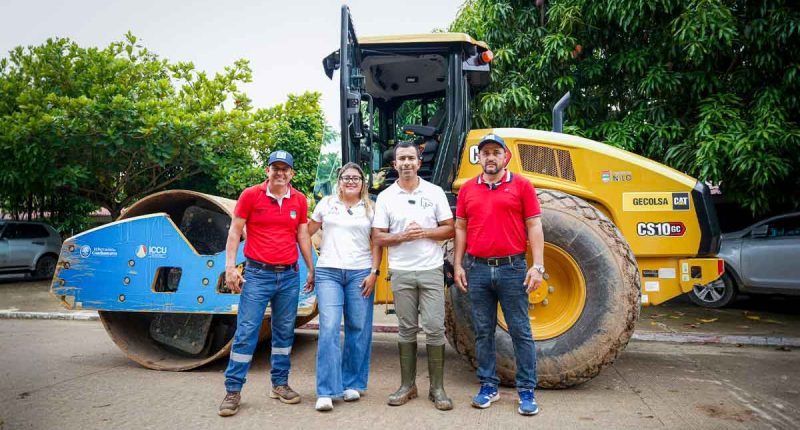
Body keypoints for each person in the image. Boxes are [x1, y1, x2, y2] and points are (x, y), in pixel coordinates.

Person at [452, 134, 544, 416]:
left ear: (506, 157)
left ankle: (526, 390)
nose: (490, 157)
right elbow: (460, 229)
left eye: (495, 152)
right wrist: (457, 265)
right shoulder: (467, 190)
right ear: (479, 158)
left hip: (512, 268)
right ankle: (488, 386)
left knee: (520, 331)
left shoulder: (522, 186)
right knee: (483, 331)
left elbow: (534, 225)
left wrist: (537, 265)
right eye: (485, 153)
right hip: (477, 268)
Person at [218, 150, 315, 417]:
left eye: (285, 169)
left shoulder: (300, 200)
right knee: (247, 332)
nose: (280, 173)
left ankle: (280, 384)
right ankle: (233, 390)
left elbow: (303, 235)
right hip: (258, 275)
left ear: (292, 173)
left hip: (288, 277)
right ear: (267, 171)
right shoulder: (251, 195)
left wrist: (311, 269)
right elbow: (235, 231)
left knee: (284, 333)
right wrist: (229, 267)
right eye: (276, 168)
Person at [372, 141, 455, 411]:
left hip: (431, 270)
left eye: (411, 158)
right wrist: (401, 236)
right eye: (401, 159)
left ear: (419, 163)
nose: (406, 163)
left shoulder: (434, 193)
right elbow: (378, 237)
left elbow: (450, 229)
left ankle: (437, 388)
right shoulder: (385, 197)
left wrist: (426, 233)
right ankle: (407, 386)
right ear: (394, 165)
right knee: (406, 329)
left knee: (434, 327)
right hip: (401, 272)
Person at [307, 162, 382, 412]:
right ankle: (326, 391)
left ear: (363, 183)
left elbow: (377, 243)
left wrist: (374, 272)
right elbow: (303, 233)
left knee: (358, 327)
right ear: (339, 181)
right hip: (328, 272)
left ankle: (352, 383)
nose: (351, 181)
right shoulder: (326, 205)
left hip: (360, 273)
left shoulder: (371, 208)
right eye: (346, 177)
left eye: (356, 178)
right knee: (328, 327)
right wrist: (311, 264)